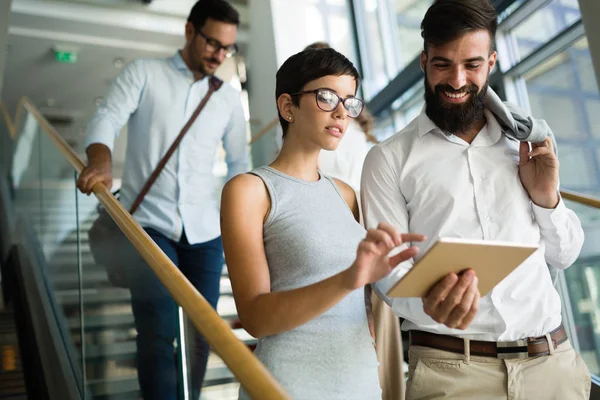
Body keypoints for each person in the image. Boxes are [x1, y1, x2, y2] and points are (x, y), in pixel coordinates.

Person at [361, 1, 590, 399]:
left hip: (552, 365)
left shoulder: (528, 145)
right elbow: (388, 275)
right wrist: (430, 305)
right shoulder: (388, 159)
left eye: (472, 64)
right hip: (452, 373)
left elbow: (564, 255)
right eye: (443, 64)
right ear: (423, 61)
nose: (457, 79)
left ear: (493, 62)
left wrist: (546, 198)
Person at [220, 47, 425, 399]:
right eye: (327, 98)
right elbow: (254, 317)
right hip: (289, 385)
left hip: (360, 382)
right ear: (288, 107)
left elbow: (358, 304)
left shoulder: (346, 194)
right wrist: (350, 278)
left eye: (350, 101)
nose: (342, 113)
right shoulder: (249, 191)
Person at [76, 1, 248, 399]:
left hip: (205, 234)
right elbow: (107, 117)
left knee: (204, 335)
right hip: (149, 227)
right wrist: (99, 159)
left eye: (227, 49)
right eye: (212, 43)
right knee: (156, 332)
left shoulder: (226, 98)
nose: (219, 55)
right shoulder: (145, 73)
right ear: (190, 31)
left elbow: (240, 163)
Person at [305, 40, 407, 400]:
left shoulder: (335, 139)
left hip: (344, 255)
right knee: (375, 353)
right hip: (369, 251)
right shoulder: (364, 139)